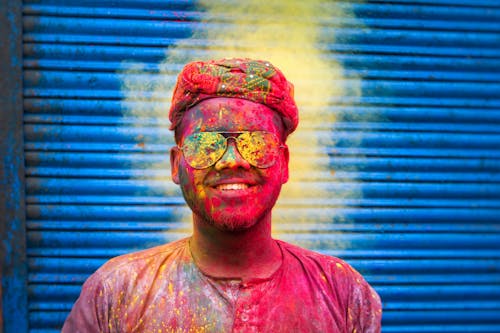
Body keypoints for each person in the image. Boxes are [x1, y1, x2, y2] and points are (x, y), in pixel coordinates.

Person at [62, 58, 382, 332]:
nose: (232, 160)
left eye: (255, 143)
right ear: (177, 165)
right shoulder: (116, 291)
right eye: (206, 144)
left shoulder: (343, 294)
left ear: (284, 164)